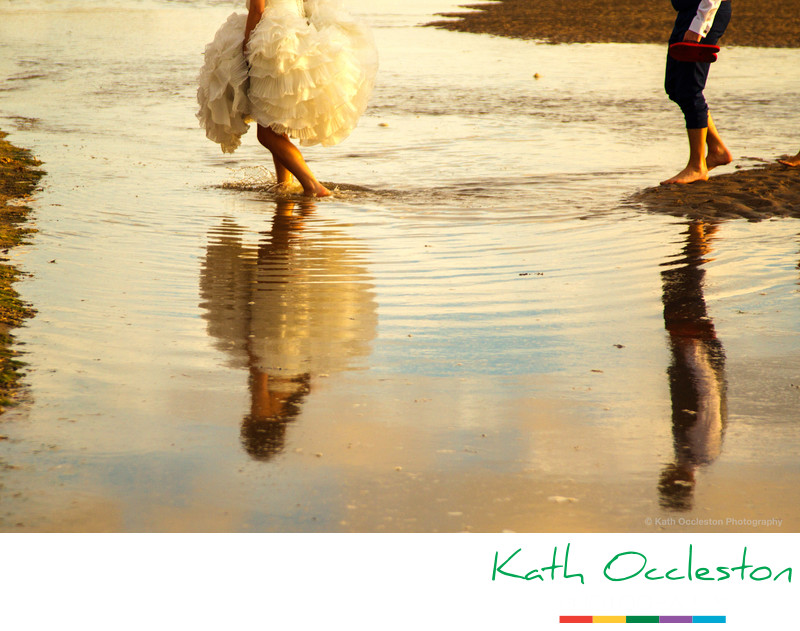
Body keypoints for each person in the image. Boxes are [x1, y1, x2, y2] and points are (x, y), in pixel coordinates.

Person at [196, 0, 378, 197]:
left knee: (266, 135)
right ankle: (285, 185)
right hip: (295, 37)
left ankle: (313, 186)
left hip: (270, 41)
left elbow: (257, 10)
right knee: (276, 127)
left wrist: (246, 51)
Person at [661, 0, 733, 185]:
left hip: (703, 12)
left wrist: (699, 25)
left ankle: (697, 166)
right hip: (687, 13)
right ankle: (717, 151)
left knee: (690, 89)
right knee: (675, 87)